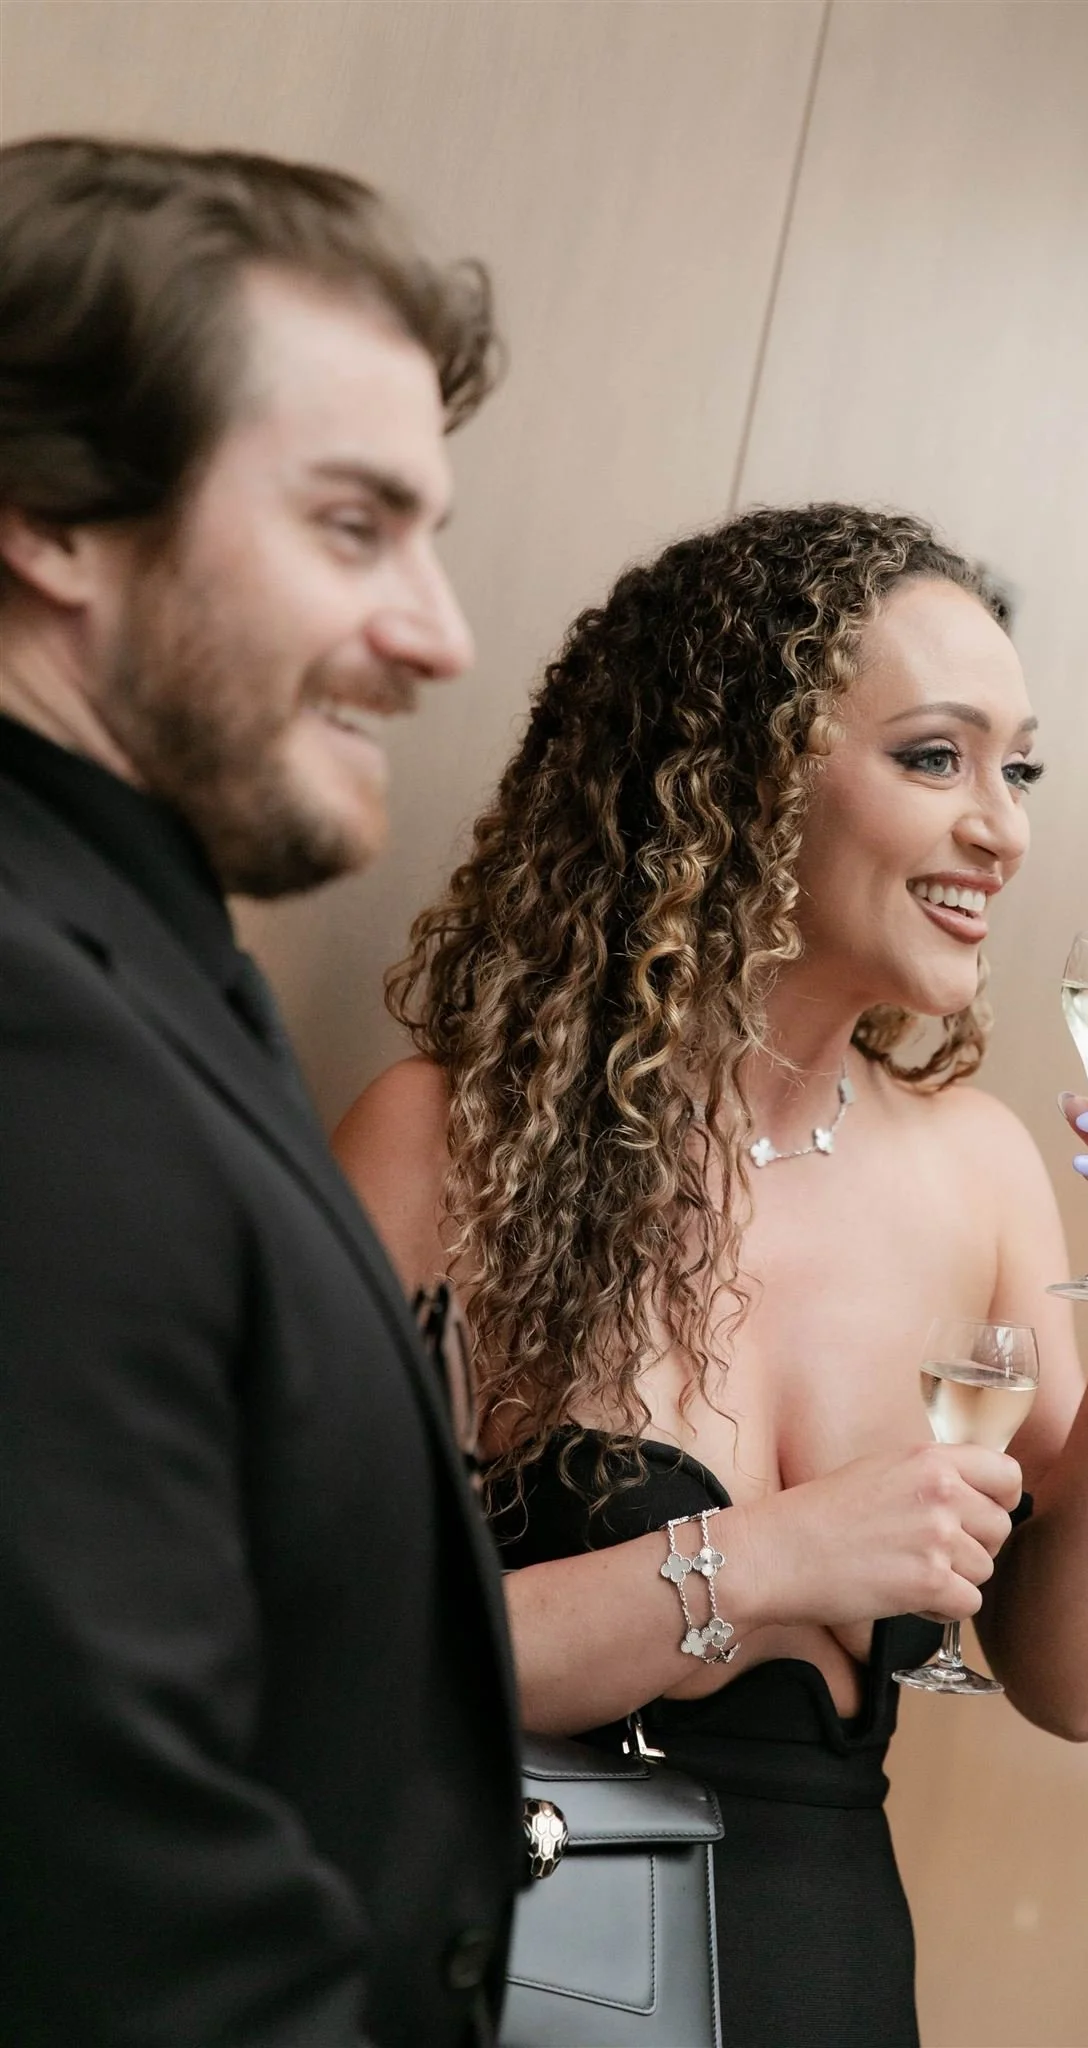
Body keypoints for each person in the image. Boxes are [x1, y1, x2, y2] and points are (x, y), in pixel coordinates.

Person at [336, 504, 1088, 2046]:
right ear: (738, 778)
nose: (1003, 828)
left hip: (822, 1970)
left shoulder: (977, 1169)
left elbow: (1077, 1681)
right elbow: (339, 1653)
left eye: (1017, 769)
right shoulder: (453, 1144)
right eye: (934, 757)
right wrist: (767, 1563)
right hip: (522, 1964)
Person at [0, 137, 520, 2047]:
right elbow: (101, 1900)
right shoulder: (24, 1022)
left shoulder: (126, 952)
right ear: (54, 514)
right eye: (352, 525)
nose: (440, 633)